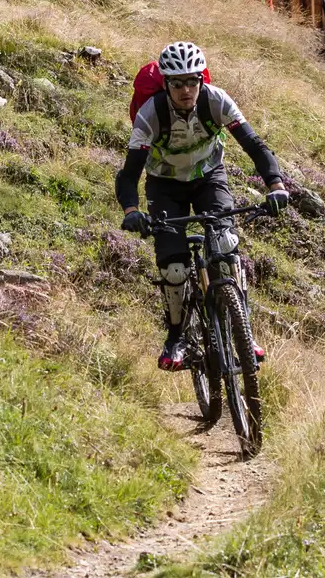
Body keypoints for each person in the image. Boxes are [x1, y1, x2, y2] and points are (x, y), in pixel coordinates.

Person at [117, 41, 290, 371]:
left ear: (202, 80)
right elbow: (128, 174)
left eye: (193, 81)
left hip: (209, 176)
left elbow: (255, 145)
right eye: (177, 83)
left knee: (226, 246)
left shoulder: (217, 101)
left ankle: (243, 331)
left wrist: (276, 186)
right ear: (166, 84)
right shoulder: (150, 115)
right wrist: (131, 211)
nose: (186, 90)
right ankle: (176, 337)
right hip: (164, 185)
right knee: (174, 268)